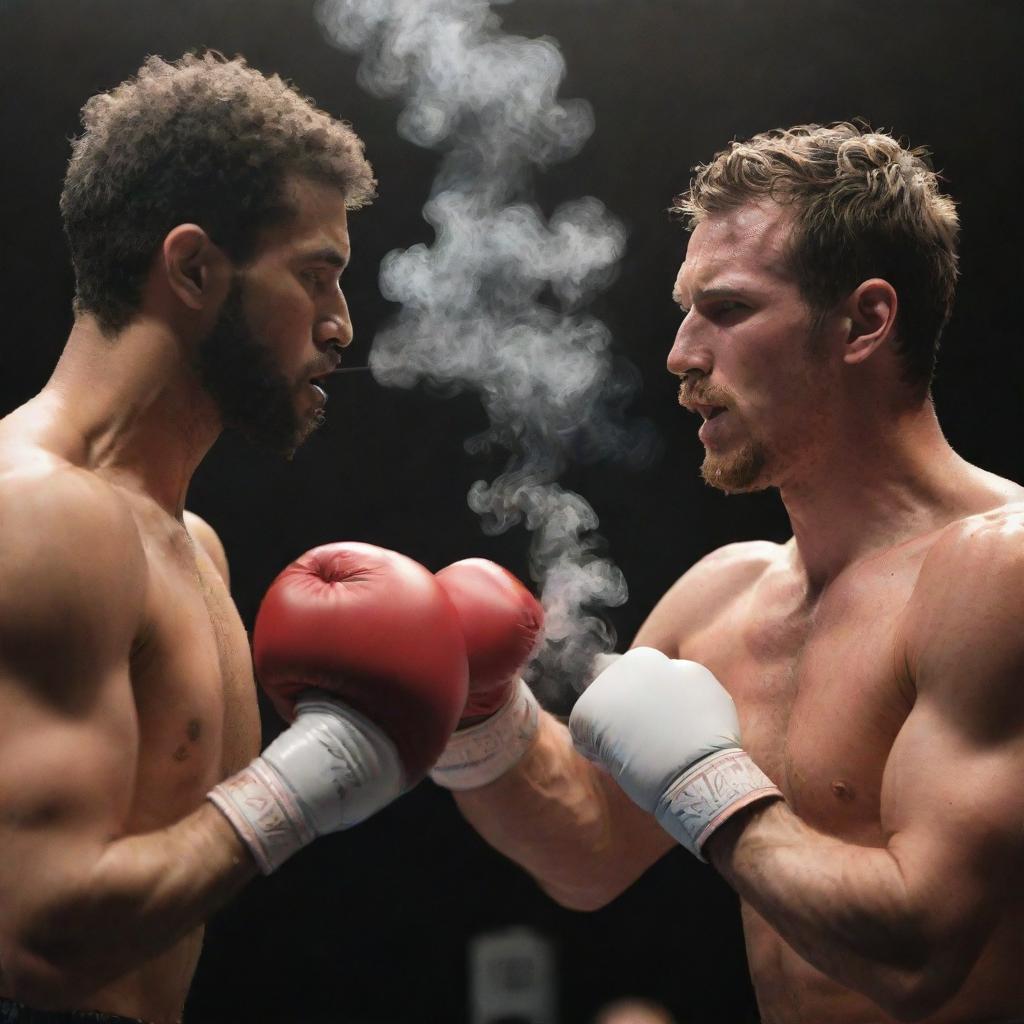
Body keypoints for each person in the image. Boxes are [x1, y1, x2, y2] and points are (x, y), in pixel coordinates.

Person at [428, 124, 1024, 1023]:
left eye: (729, 309)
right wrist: (473, 714)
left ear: (865, 320)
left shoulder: (996, 570)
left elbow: (919, 953)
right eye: (685, 310)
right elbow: (586, 853)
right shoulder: (723, 597)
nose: (681, 353)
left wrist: (706, 788)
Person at [0, 52, 474, 1023]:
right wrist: (302, 783)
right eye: (316, 276)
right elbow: (33, 936)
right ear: (193, 267)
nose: (342, 326)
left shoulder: (193, 547)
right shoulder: (44, 513)